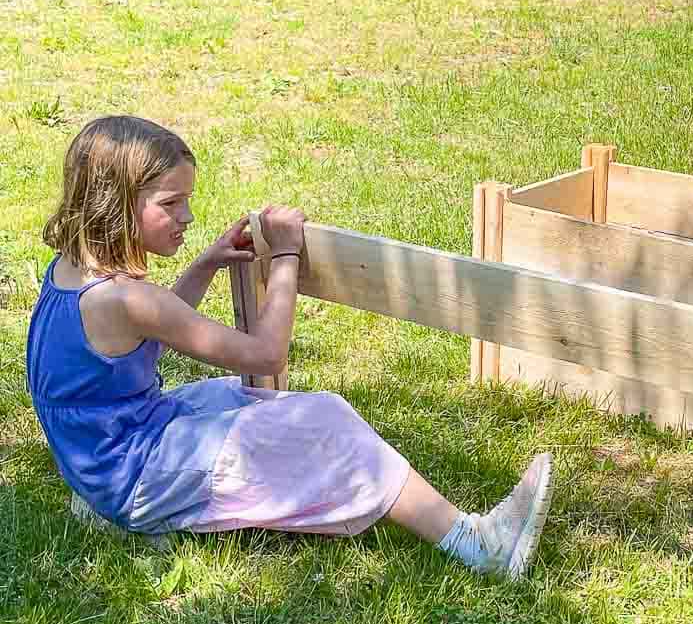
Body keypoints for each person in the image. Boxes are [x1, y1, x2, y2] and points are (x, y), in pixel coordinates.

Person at [26, 115, 552, 577]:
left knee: (238, 395)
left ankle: (106, 502)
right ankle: (478, 544)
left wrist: (206, 263)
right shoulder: (127, 299)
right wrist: (284, 257)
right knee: (325, 422)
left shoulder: (74, 275)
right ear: (114, 204)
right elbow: (266, 355)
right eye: (171, 203)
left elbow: (159, 327)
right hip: (132, 472)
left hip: (101, 457)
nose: (187, 215)